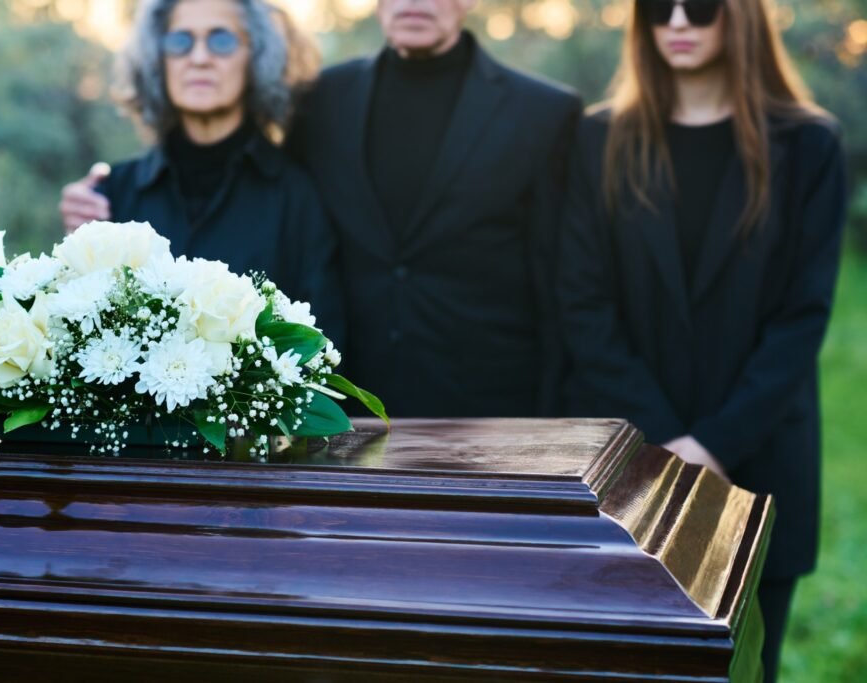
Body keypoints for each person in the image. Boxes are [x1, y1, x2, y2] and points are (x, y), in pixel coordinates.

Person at [558, 1, 848, 680]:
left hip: (761, 466)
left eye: (701, 4)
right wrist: (664, 440)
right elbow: (583, 306)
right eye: (659, 6)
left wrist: (713, 443)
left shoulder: (810, 147)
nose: (679, 20)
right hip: (633, 473)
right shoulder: (599, 141)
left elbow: (802, 318)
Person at [286, 0, 581, 417]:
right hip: (344, 412)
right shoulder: (318, 101)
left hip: (493, 419)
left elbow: (561, 286)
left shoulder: (544, 113)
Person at [59, 0, 343, 342]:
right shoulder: (112, 194)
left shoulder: (298, 199)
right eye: (179, 41)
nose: (199, 58)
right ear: (158, 60)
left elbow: (322, 353)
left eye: (221, 40)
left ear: (256, 58)